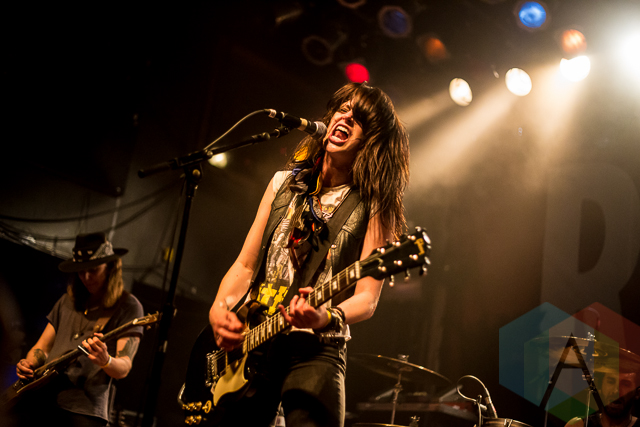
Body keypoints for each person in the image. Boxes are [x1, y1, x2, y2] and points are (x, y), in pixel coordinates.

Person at [208, 82, 410, 426]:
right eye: (342, 109)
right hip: (256, 339)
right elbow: (245, 265)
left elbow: (367, 299)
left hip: (317, 349)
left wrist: (325, 317)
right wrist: (219, 310)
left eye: (359, 118)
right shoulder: (282, 184)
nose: (345, 118)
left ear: (372, 140)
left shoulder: (376, 203)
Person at [11, 232, 144, 427]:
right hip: (43, 400)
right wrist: (28, 363)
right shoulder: (67, 300)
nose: (87, 277)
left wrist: (106, 360)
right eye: (81, 271)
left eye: (93, 270)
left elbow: (124, 367)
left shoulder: (129, 306)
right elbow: (42, 347)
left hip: (84, 410)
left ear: (110, 267)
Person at [565, 369, 640, 427]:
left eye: (625, 384)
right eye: (611, 382)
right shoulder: (578, 425)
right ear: (600, 386)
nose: (616, 391)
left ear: (637, 393)